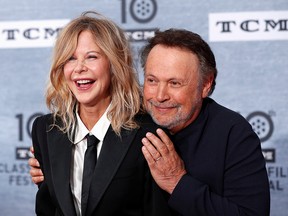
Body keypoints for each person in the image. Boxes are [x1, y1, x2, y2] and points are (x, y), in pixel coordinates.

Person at [30, 28, 270, 216]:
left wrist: (178, 183)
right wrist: (60, 167)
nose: (160, 95)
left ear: (206, 84)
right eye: (152, 81)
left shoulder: (232, 133)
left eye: (174, 83)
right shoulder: (130, 123)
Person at [30, 11, 172, 216]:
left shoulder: (147, 133)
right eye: (70, 58)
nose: (79, 68)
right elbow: (47, 209)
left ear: (115, 65)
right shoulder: (45, 130)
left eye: (91, 57)